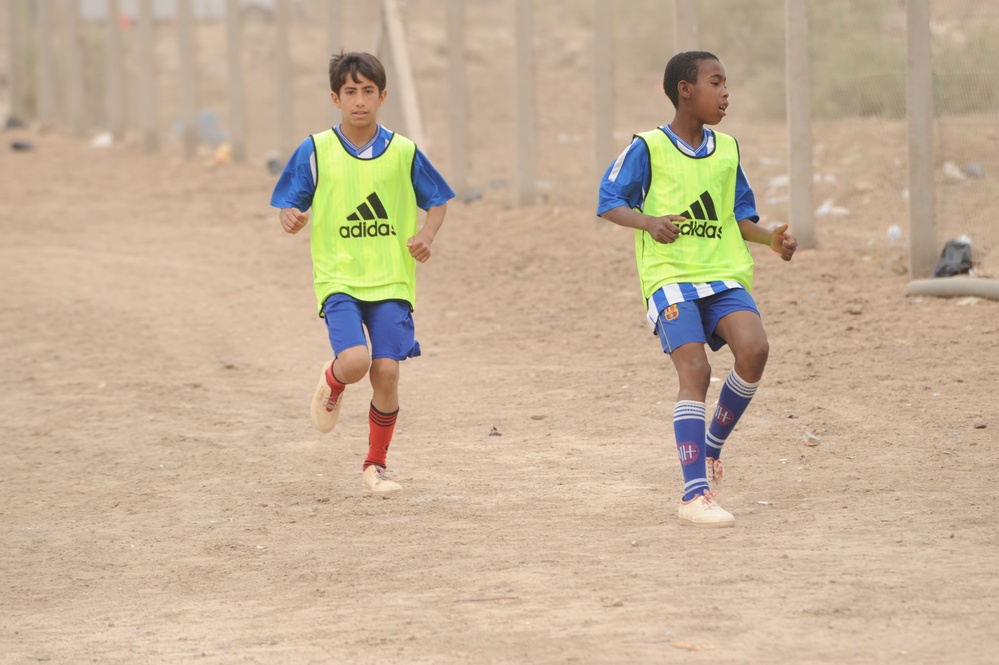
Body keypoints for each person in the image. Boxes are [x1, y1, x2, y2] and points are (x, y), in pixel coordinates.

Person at [596, 51, 797, 528]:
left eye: (726, 83)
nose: (726, 92)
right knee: (696, 370)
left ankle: (709, 450)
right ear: (686, 89)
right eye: (716, 82)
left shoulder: (727, 149)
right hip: (671, 278)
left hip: (724, 274)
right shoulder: (648, 146)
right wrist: (648, 222)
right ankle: (694, 495)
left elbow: (737, 215)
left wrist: (771, 240)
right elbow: (608, 202)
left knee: (755, 349)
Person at [270, 51, 454, 496]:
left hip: (392, 278)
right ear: (335, 98)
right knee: (355, 362)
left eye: (367, 91)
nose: (359, 100)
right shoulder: (316, 150)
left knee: (387, 372)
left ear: (382, 96)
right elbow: (291, 203)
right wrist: (291, 217)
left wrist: (427, 235)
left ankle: (376, 465)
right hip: (340, 278)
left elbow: (438, 199)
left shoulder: (404, 151)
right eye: (349, 92)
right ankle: (332, 381)